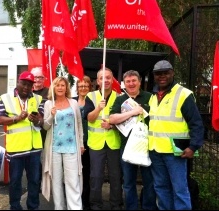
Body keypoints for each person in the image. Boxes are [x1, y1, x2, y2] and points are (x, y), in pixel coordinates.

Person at [148, 60, 204, 210]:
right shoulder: (153, 96)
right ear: (154, 76)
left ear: (172, 73)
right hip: (155, 150)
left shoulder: (184, 94)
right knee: (161, 187)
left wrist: (193, 146)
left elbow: (196, 123)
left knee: (180, 189)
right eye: (158, 73)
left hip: (176, 153)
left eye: (166, 72)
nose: (162, 76)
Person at [0, 71, 45, 210]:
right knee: (15, 181)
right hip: (16, 148)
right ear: (18, 82)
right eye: (24, 83)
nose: (26, 87)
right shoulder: (6, 98)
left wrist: (37, 120)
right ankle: (15, 206)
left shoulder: (38, 99)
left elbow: (42, 119)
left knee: (35, 181)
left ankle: (33, 207)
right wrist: (16, 118)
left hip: (34, 148)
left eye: (29, 85)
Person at [109, 70, 157, 210]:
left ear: (139, 81)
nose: (131, 84)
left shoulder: (150, 97)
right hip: (127, 147)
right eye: (128, 81)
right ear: (125, 83)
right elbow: (112, 119)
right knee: (129, 183)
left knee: (149, 182)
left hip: (147, 146)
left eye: (134, 80)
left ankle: (148, 207)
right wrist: (133, 112)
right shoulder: (120, 99)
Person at [42, 76, 84, 210]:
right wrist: (51, 115)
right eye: (57, 85)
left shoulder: (73, 103)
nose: (60, 87)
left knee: (73, 181)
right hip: (54, 148)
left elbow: (79, 124)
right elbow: (45, 126)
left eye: (62, 85)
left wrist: (81, 143)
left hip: (71, 147)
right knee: (56, 182)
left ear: (66, 88)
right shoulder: (49, 104)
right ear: (53, 87)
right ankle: (59, 207)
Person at [83, 67, 122, 210]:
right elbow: (89, 118)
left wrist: (111, 126)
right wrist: (98, 108)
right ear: (97, 81)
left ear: (112, 80)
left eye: (108, 77)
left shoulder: (119, 97)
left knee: (115, 177)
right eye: (102, 78)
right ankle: (95, 205)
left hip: (114, 143)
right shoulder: (91, 97)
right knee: (96, 177)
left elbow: (124, 122)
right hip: (96, 143)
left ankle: (116, 204)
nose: (105, 80)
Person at [72, 75, 92, 210]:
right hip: (73, 142)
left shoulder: (94, 101)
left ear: (89, 87)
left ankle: (85, 201)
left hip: (89, 142)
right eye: (80, 86)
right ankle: (74, 200)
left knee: (86, 173)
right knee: (73, 173)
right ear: (77, 88)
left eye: (85, 85)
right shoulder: (71, 101)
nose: (83, 88)